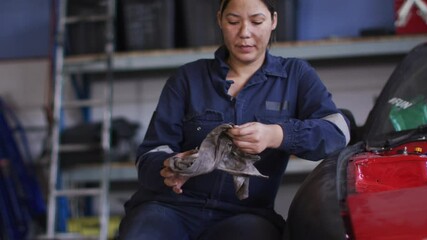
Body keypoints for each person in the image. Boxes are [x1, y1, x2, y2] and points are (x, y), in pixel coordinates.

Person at [118, 0, 350, 239]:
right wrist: (169, 166)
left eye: (256, 21)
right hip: (170, 208)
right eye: (233, 21)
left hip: (245, 215)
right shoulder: (187, 78)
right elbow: (148, 155)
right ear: (220, 20)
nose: (244, 33)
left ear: (273, 21)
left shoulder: (296, 76)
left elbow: (337, 132)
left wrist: (276, 135)